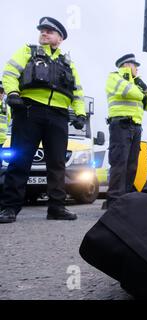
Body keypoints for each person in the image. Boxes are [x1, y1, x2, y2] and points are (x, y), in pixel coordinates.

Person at [0, 17, 86, 223]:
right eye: (42, 31)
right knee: (20, 160)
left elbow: (77, 92)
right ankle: (9, 208)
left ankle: (57, 208)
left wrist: (80, 113)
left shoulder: (68, 63)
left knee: (57, 164)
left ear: (60, 38)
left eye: (49, 31)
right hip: (29, 110)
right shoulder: (27, 52)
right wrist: (12, 93)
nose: (44, 34)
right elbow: (10, 73)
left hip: (58, 115)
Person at [104, 54, 147, 209]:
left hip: (136, 126)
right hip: (121, 125)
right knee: (119, 163)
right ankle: (114, 201)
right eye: (135, 66)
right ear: (126, 65)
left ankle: (125, 199)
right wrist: (142, 91)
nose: (137, 69)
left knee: (132, 165)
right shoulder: (114, 77)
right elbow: (130, 93)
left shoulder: (135, 83)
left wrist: (146, 91)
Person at [0, 81, 11, 168]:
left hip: (2, 141)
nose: (0, 94)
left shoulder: (5, 107)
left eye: (1, 92)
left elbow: (8, 122)